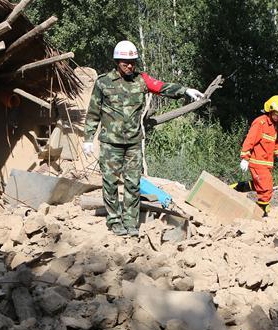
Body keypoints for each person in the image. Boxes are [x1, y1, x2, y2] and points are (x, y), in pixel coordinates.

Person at [83, 40, 203, 236]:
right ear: (117, 61)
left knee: (132, 183)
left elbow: (162, 87)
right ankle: (114, 222)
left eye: (133, 62)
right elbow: (93, 112)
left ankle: (131, 223)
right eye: (125, 62)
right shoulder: (103, 82)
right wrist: (88, 138)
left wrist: (185, 91)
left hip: (132, 143)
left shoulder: (141, 80)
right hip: (110, 144)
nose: (130, 66)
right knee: (110, 183)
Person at [238, 95, 278, 216]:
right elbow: (250, 140)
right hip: (257, 163)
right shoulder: (260, 122)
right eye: (277, 114)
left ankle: (235, 188)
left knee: (261, 185)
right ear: (270, 110)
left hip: (267, 164)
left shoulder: (274, 126)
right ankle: (261, 212)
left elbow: (275, 143)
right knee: (266, 188)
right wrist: (245, 158)